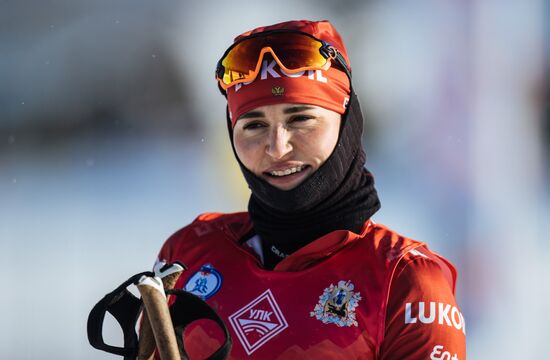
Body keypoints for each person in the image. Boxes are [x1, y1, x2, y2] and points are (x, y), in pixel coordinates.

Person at [156, 19, 466, 359]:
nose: (277, 147)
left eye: (300, 119)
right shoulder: (190, 251)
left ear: (347, 122)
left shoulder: (406, 280)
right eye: (254, 125)